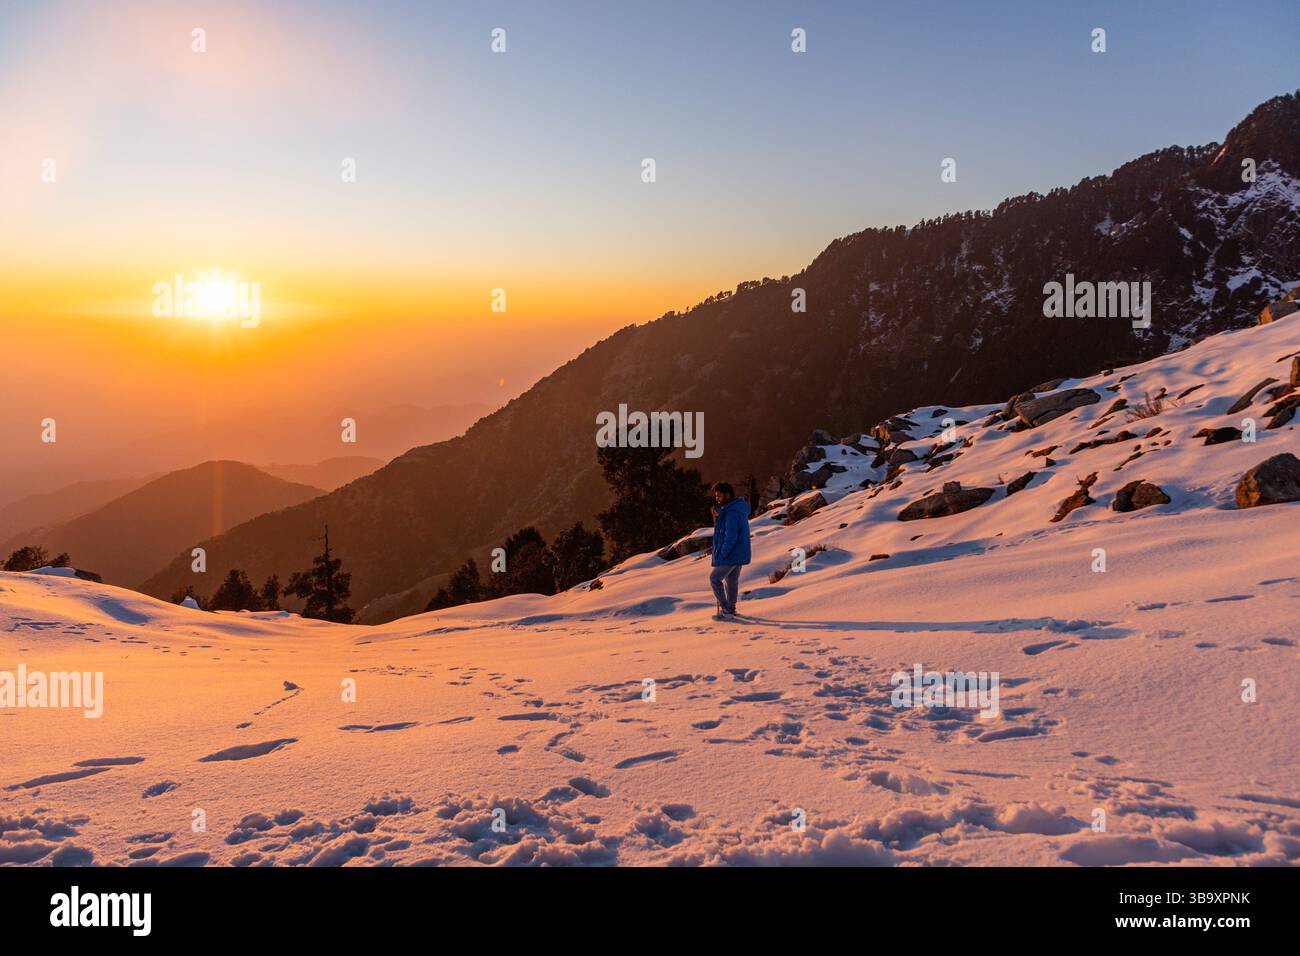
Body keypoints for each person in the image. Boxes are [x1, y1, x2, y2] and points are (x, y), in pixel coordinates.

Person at [708, 481, 751, 620]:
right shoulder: (735, 510)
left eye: (719, 496)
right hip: (738, 553)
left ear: (727, 495)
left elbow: (730, 536)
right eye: (716, 496)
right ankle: (730, 610)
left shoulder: (732, 513)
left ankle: (726, 609)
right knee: (731, 582)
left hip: (731, 553)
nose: (717, 499)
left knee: (714, 579)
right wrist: (718, 515)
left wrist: (723, 553)